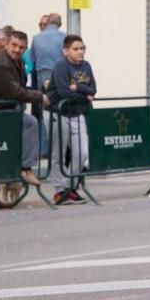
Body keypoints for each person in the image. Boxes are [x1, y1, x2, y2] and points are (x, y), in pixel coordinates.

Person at [0, 31, 46, 209]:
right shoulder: (1, 64)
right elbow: (13, 92)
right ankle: (25, 168)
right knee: (29, 123)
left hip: (1, 109)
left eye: (21, 47)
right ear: (7, 44)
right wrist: (40, 96)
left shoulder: (17, 61)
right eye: (14, 45)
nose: (17, 50)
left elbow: (19, 87)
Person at [46, 35, 96, 206]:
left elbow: (93, 89)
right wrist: (85, 95)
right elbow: (63, 92)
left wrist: (80, 87)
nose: (80, 52)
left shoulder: (86, 66)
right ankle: (60, 190)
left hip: (78, 114)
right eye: (76, 49)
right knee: (57, 154)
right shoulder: (60, 66)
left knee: (82, 153)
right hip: (59, 113)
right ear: (66, 51)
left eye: (82, 48)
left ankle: (70, 187)